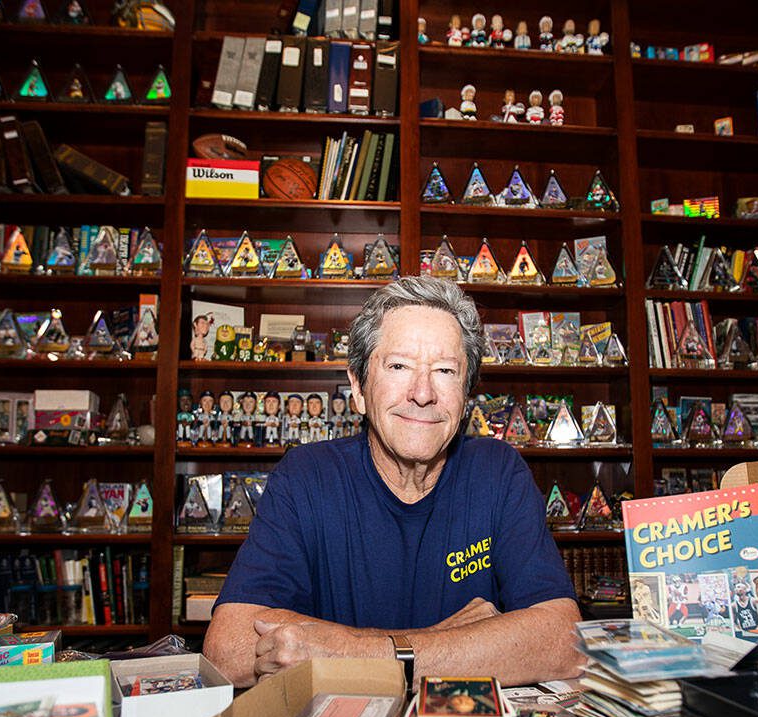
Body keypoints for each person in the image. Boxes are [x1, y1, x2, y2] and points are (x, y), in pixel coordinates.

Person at [204, 277, 584, 688]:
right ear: (358, 388)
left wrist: (346, 652)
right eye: (399, 366)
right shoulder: (306, 478)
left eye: (444, 370)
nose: (422, 393)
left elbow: (563, 641)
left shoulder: (498, 473)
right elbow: (229, 650)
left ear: (465, 394)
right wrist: (452, 642)